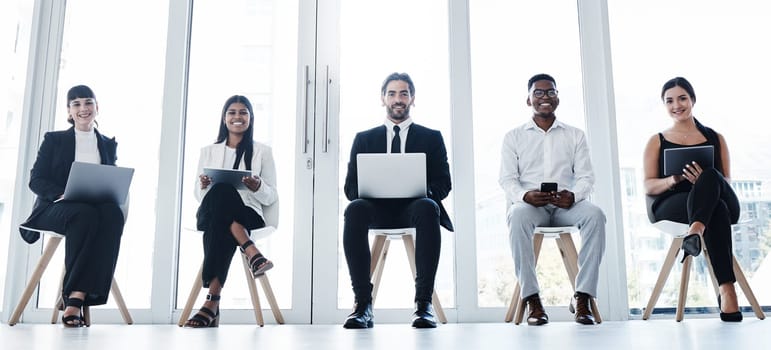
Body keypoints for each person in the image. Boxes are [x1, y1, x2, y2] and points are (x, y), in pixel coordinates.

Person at [341, 72, 453, 329]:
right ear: (383, 99)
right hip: (375, 209)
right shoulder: (364, 139)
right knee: (354, 208)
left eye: (404, 93)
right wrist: (371, 187)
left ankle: (423, 305)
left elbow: (443, 184)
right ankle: (362, 305)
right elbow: (350, 187)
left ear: (413, 98)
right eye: (392, 93)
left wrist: (419, 187)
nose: (398, 99)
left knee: (428, 207)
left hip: (414, 208)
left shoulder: (431, 137)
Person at [499, 73, 606, 326]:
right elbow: (507, 180)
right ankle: (532, 298)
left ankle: (583, 296)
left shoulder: (575, 135)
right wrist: (525, 195)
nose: (544, 97)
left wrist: (574, 195)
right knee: (516, 215)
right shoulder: (513, 137)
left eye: (550, 92)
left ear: (557, 97)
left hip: (565, 206)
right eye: (538, 92)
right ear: (528, 100)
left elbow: (586, 177)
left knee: (595, 215)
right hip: (530, 206)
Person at [19, 85, 126, 327]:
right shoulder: (54, 140)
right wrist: (61, 193)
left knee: (113, 215)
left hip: (93, 208)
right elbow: (35, 179)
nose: (83, 108)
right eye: (76, 104)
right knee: (85, 215)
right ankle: (74, 299)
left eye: (88, 102)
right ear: (69, 111)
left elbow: (109, 177)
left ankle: (78, 296)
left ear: (97, 108)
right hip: (54, 207)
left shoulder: (108, 143)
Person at [643, 77, 742, 322]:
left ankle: (695, 231)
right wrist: (673, 180)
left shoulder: (716, 137)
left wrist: (706, 181)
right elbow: (648, 184)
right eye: (670, 101)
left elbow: (726, 181)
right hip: (672, 204)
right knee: (715, 210)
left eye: (682, 98)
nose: (676, 105)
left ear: (693, 100)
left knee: (711, 178)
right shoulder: (657, 140)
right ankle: (727, 290)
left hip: (717, 199)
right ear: (664, 105)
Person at [184, 95, 278, 328]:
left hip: (248, 213)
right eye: (232, 112)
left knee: (221, 224)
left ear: (250, 118)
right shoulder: (208, 151)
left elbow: (271, 196)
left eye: (243, 112)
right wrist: (204, 186)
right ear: (224, 118)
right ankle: (251, 250)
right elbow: (198, 194)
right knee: (221, 192)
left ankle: (211, 303)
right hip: (211, 210)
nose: (238, 117)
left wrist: (258, 187)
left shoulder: (262, 152)